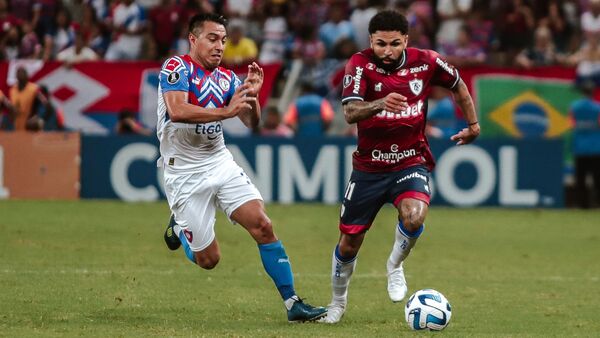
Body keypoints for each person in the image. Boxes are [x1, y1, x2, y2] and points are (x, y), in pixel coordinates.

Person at [156, 13, 327, 323]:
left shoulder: (227, 79)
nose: (219, 45)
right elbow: (177, 110)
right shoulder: (176, 68)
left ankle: (293, 303)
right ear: (193, 39)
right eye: (212, 38)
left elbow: (251, 122)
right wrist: (225, 111)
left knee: (262, 224)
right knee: (209, 260)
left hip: (219, 161)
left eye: (223, 40)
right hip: (184, 172)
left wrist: (252, 95)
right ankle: (180, 229)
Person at [318, 10, 480, 324]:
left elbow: (458, 85)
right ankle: (337, 304)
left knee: (415, 215)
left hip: (410, 160)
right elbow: (350, 112)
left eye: (394, 43)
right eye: (380, 44)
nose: (387, 51)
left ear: (406, 40)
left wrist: (473, 124)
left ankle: (394, 265)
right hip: (369, 168)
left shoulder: (427, 61)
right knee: (349, 242)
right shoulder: (359, 64)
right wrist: (380, 103)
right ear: (371, 41)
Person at [569, 81, 600, 208]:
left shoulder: (574, 107)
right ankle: (597, 203)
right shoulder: (597, 107)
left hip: (579, 147)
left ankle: (582, 204)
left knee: (580, 178)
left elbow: (572, 124)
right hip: (596, 147)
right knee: (597, 178)